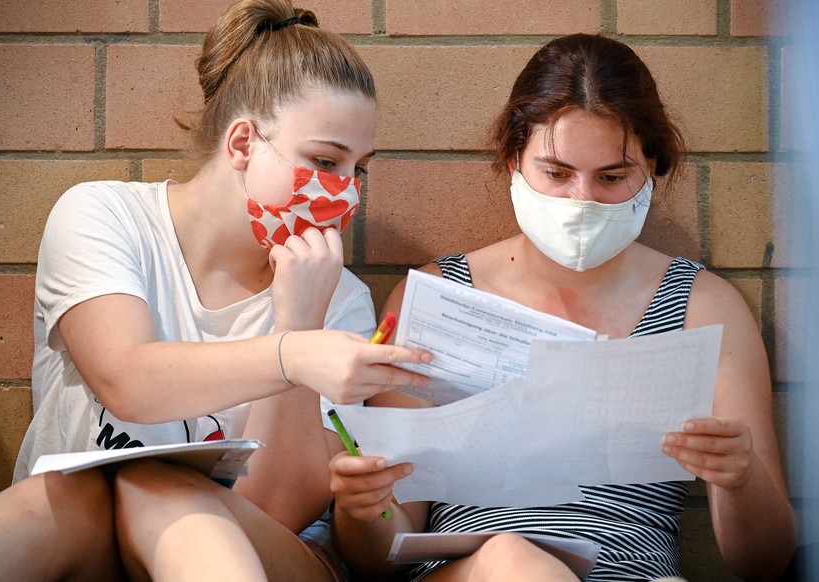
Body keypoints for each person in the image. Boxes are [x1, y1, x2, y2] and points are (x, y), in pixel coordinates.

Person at [0, 1, 431, 580]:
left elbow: (276, 511)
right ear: (243, 143)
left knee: (155, 486)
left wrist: (297, 318)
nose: (345, 194)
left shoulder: (340, 295)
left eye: (359, 170)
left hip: (264, 547)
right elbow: (126, 378)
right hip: (92, 527)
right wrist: (292, 355)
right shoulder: (105, 216)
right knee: (68, 493)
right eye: (325, 161)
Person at [328, 33, 796, 582]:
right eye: (556, 173)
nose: (581, 201)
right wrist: (361, 507)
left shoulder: (702, 308)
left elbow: (764, 563)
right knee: (511, 559)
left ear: (654, 168)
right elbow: (379, 553)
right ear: (513, 160)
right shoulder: (441, 297)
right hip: (473, 571)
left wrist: (740, 478)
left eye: (613, 177)